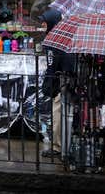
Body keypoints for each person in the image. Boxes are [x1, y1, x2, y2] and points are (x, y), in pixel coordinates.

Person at [39, 8, 75, 159]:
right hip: (65, 81)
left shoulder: (54, 40)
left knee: (58, 112)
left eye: (44, 22)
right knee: (64, 114)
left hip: (62, 82)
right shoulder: (61, 36)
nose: (42, 25)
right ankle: (63, 145)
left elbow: (53, 65)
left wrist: (50, 84)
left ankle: (57, 147)